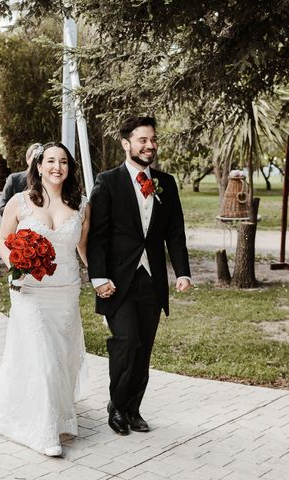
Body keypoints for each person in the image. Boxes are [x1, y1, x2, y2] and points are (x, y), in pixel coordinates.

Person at [0, 142, 90, 457]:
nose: (57, 167)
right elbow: (2, 239)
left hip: (66, 291)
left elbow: (83, 248)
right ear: (39, 166)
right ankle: (44, 431)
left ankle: (58, 412)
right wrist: (15, 262)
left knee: (62, 358)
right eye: (51, 161)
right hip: (29, 290)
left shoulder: (82, 204)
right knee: (40, 354)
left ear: (70, 168)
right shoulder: (20, 202)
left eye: (64, 162)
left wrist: (100, 277)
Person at [87, 116, 191, 436]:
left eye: (153, 140)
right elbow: (96, 236)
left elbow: (175, 232)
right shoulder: (108, 181)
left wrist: (182, 272)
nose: (149, 146)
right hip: (117, 280)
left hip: (152, 279)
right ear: (126, 143)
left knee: (143, 347)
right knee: (126, 342)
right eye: (142, 140)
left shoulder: (166, 183)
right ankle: (116, 406)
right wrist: (99, 277)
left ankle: (133, 408)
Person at [0, 143, 43, 216]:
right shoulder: (14, 179)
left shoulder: (48, 181)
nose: (37, 162)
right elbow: (2, 208)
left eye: (41, 159)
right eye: (35, 158)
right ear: (28, 159)